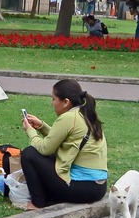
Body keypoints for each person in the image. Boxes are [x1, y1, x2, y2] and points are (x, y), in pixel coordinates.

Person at [20, 79, 109, 209]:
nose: (52, 103)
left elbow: (45, 148)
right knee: (48, 157)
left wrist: (30, 131)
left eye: (54, 99)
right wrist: (42, 126)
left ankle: (38, 203)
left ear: (66, 102)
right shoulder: (84, 113)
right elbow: (59, 139)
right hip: (98, 187)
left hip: (84, 188)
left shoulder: (68, 118)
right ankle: (49, 196)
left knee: (29, 154)